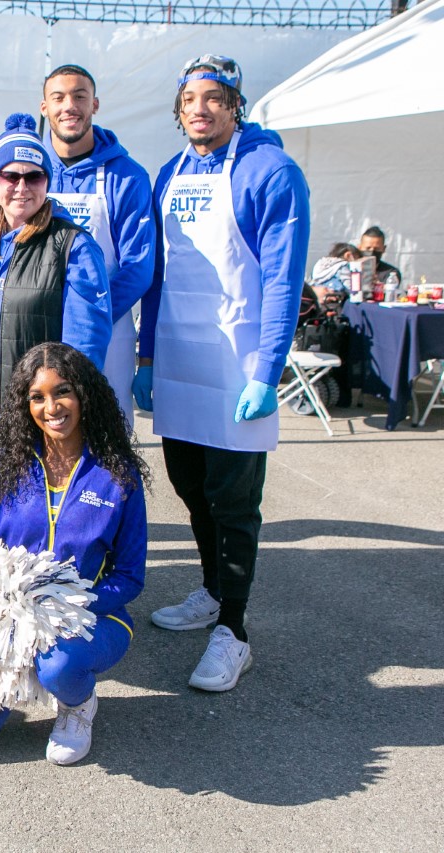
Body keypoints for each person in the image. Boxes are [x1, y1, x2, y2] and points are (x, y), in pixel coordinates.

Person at [134, 54, 310, 692]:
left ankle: (233, 631)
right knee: (189, 485)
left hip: (237, 364)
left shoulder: (272, 171)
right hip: (181, 360)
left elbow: (284, 279)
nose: (201, 110)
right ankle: (210, 590)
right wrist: (148, 356)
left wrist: (269, 369)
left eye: (215, 98)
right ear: (179, 110)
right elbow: (155, 276)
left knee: (235, 502)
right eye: (191, 100)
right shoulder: (168, 174)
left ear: (236, 106)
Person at [0, 342, 148, 764]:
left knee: (58, 665)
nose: (52, 407)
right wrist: (5, 608)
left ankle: (77, 703)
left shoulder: (117, 473)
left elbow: (130, 576)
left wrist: (62, 606)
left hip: (90, 621)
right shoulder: (4, 463)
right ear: (25, 404)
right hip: (9, 621)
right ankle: (16, 679)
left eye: (62, 391)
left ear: (84, 394)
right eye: (37, 397)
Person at [0, 112, 112, 464]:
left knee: (34, 515)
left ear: (47, 182)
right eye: (10, 175)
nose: (22, 187)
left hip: (37, 414)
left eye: (34, 176)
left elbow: (85, 342)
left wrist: (64, 410)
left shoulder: (72, 246)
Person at [41, 64, 156, 428]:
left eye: (79, 96)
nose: (69, 106)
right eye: (58, 98)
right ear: (45, 108)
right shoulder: (30, 170)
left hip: (108, 333)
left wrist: (87, 320)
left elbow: (138, 267)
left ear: (95, 105)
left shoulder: (127, 175)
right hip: (39, 328)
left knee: (106, 441)